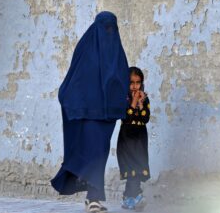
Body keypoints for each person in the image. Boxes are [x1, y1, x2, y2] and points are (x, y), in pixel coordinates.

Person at [51, 11, 129, 213]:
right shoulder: (85, 48)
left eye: (112, 28)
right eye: (105, 28)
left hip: (107, 115)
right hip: (87, 113)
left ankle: (92, 198)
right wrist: (72, 100)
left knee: (100, 154)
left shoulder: (118, 53)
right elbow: (73, 79)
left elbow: (123, 82)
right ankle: (93, 199)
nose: (108, 32)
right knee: (92, 154)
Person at [117, 66, 151, 211]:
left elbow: (145, 118)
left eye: (138, 83)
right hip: (127, 139)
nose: (135, 86)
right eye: (132, 83)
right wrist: (133, 102)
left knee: (138, 168)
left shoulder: (145, 98)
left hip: (140, 140)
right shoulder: (123, 99)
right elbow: (127, 117)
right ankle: (132, 196)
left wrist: (141, 103)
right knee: (132, 168)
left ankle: (130, 197)